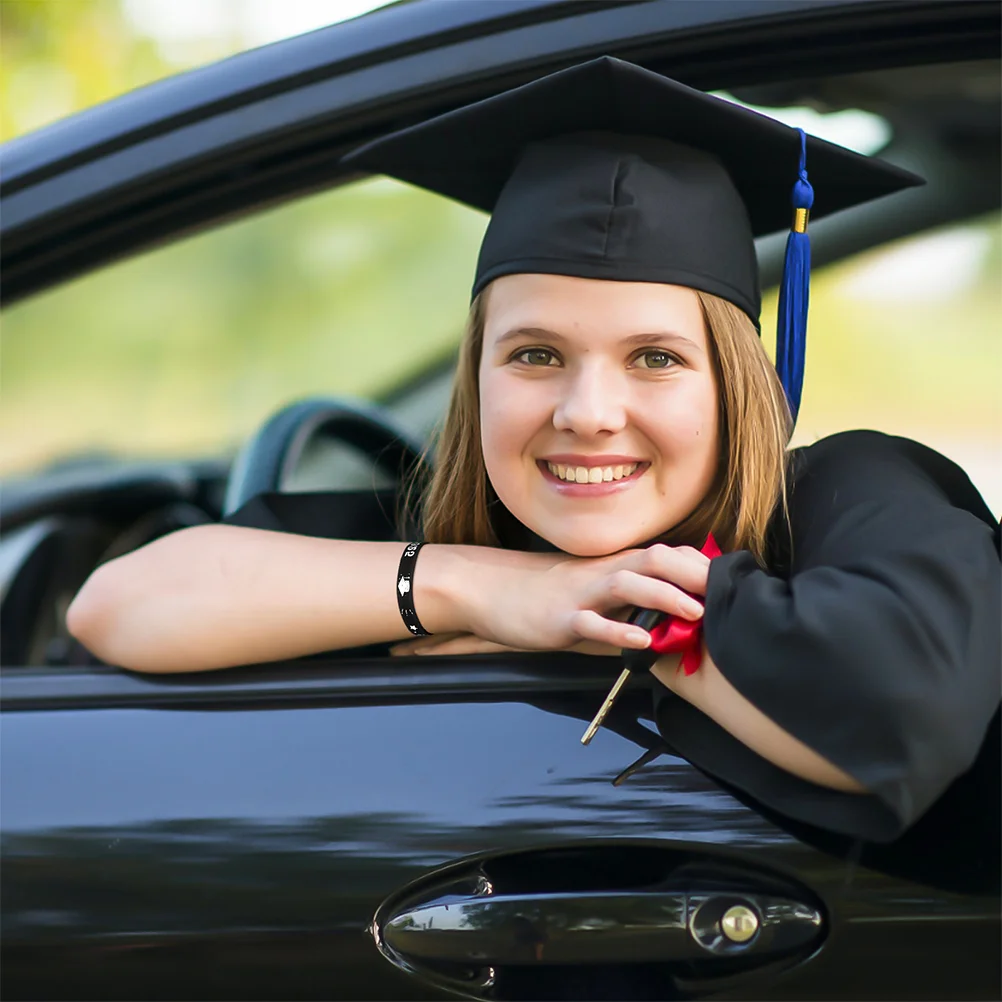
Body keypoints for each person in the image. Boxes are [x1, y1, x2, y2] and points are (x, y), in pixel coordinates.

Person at [66, 58, 1000, 844]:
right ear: (477, 379)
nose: (589, 413)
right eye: (537, 355)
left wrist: (615, 621)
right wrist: (489, 590)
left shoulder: (849, 494)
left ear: (736, 383)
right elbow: (121, 605)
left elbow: (901, 710)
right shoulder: (431, 533)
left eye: (656, 359)